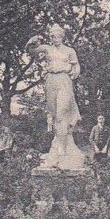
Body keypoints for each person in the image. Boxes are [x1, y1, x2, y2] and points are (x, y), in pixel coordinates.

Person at [25, 24, 85, 170]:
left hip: (64, 79)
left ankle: (62, 147)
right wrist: (32, 41)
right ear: (50, 37)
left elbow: (76, 66)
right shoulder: (47, 49)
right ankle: (58, 142)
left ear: (62, 37)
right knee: (53, 113)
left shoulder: (69, 51)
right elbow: (30, 52)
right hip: (51, 80)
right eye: (53, 36)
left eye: (58, 36)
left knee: (61, 114)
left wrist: (75, 72)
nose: (56, 39)